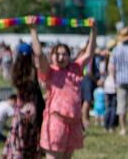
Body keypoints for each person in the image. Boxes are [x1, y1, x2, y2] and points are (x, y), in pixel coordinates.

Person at [31, 18, 97, 159]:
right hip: (56, 122)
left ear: (69, 56)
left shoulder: (75, 68)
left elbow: (89, 53)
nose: (61, 57)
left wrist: (93, 29)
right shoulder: (49, 71)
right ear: (52, 56)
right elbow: (39, 54)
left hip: (74, 124)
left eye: (64, 54)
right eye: (57, 54)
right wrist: (33, 29)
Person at [3, 43, 44, 159]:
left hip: (21, 113)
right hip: (31, 112)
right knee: (28, 144)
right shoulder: (32, 71)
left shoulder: (16, 71)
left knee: (20, 142)